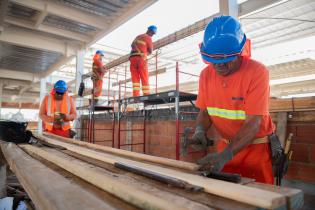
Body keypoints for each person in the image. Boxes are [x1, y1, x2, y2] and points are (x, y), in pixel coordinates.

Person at [192, 15, 275, 184]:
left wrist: (227, 154)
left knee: (260, 198)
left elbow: (253, 123)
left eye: (226, 60)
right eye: (214, 61)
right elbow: (205, 112)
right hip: (224, 146)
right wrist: (200, 130)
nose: (219, 66)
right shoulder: (205, 75)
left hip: (256, 149)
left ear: (240, 52)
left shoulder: (257, 72)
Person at [129, 25, 157, 96]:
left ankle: (135, 94)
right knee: (144, 76)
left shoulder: (138, 36)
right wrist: (144, 53)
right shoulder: (148, 38)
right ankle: (146, 94)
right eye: (152, 33)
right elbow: (150, 51)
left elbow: (132, 45)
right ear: (149, 31)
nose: (152, 35)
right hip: (140, 59)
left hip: (132, 58)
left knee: (135, 77)